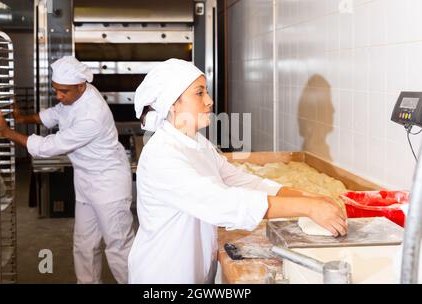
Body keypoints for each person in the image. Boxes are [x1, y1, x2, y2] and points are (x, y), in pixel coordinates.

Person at [128, 58, 347, 284]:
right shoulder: (162, 156)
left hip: (194, 272)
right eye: (199, 93)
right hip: (163, 276)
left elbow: (241, 181)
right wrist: (307, 208)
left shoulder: (197, 144)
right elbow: (223, 202)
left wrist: (309, 197)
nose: (209, 101)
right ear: (173, 103)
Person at [0, 56, 135, 284]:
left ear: (80, 86)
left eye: (63, 91)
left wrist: (7, 132)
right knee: (84, 244)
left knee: (118, 247)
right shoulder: (74, 96)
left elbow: (49, 147)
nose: (58, 96)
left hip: (109, 184)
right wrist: (21, 118)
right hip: (86, 181)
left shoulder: (92, 115)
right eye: (55, 89)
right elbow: (54, 114)